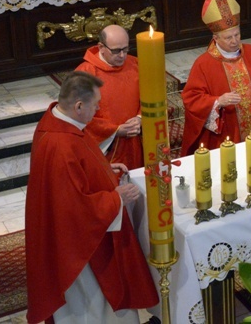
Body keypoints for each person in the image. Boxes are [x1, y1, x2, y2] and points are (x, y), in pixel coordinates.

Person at [25, 71, 158, 323]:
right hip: (80, 253)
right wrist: (116, 198)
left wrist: (106, 170)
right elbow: (73, 209)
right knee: (94, 308)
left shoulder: (59, 121)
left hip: (79, 241)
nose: (97, 111)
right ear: (78, 106)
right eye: (95, 106)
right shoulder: (60, 145)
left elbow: (81, 167)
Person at [181, 0, 251, 155]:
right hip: (227, 138)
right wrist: (218, 101)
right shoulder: (203, 64)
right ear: (216, 38)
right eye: (228, 37)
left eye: (237, 34)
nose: (235, 40)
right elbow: (191, 99)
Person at [75, 24, 143, 171]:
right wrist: (114, 130)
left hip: (135, 141)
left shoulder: (135, 64)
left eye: (125, 49)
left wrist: (139, 118)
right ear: (101, 47)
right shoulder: (85, 73)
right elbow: (78, 115)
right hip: (106, 147)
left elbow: (150, 95)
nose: (122, 55)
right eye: (116, 50)